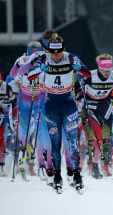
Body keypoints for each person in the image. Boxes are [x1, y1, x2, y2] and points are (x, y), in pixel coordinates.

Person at [26, 33, 89, 193]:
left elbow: (87, 73)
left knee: (72, 142)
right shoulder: (43, 59)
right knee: (56, 144)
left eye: (59, 51)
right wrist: (40, 68)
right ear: (48, 50)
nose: (56, 55)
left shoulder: (70, 57)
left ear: (63, 49)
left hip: (68, 104)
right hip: (51, 105)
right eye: (53, 52)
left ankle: (77, 176)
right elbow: (30, 76)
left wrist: (79, 68)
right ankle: (57, 177)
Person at [76, 53, 113, 179]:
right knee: (97, 137)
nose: (106, 73)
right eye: (104, 70)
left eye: (109, 70)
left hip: (104, 106)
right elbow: (77, 90)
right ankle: (92, 166)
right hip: (90, 106)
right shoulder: (90, 75)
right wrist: (79, 98)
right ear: (99, 67)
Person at [11, 41, 53, 179]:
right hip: (25, 98)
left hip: (40, 96)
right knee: (23, 130)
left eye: (37, 50)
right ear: (28, 50)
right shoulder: (22, 59)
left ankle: (42, 164)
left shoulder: (45, 59)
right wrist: (19, 66)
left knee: (42, 130)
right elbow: (12, 75)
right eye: (32, 49)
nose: (34, 52)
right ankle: (21, 157)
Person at [0, 73, 16, 177]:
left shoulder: (6, 87)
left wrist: (12, 114)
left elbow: (14, 101)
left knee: (5, 138)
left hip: (6, 114)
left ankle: (2, 164)